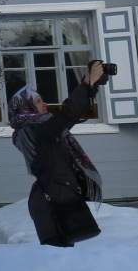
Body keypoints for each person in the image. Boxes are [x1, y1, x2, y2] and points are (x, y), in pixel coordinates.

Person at [8, 59, 110, 247]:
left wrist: (91, 85)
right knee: (57, 256)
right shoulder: (34, 131)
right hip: (51, 202)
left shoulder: (41, 128)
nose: (45, 104)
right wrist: (87, 84)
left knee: (65, 256)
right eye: (38, 101)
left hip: (60, 195)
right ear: (26, 107)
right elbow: (68, 115)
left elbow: (71, 115)